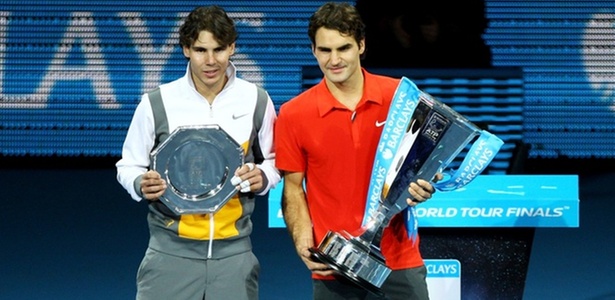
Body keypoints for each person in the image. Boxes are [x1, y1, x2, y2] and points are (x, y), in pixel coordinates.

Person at [274, 2, 439, 300]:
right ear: (313, 51)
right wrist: (302, 244)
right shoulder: (293, 114)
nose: (334, 59)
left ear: (361, 46)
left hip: (398, 260)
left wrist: (426, 183)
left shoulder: (399, 98)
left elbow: (424, 168)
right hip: (335, 264)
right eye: (325, 50)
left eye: (344, 48)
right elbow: (294, 189)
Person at [115, 5, 280, 300]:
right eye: (201, 50)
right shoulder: (157, 102)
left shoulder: (256, 100)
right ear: (186, 49)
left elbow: (274, 161)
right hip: (169, 254)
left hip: (234, 255)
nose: (211, 61)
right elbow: (128, 165)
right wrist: (140, 183)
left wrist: (263, 177)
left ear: (232, 48)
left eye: (219, 49)